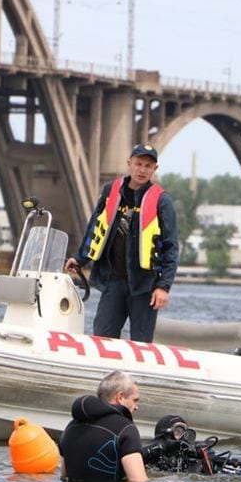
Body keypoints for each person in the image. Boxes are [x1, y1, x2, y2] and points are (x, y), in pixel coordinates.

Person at [65, 143, 179, 343]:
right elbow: (95, 226)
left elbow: (171, 247)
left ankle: (139, 374)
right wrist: (79, 258)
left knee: (141, 343)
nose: (142, 170)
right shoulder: (111, 191)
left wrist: (164, 286)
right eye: (139, 164)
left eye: (148, 166)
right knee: (102, 338)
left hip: (145, 285)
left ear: (155, 169)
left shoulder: (162, 200)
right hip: (113, 281)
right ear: (129, 164)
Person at [58, 370, 148, 482]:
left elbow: (64, 476)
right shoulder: (126, 428)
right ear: (120, 397)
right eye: (134, 400)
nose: (136, 407)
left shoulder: (70, 427)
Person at [141, 414, 241, 476]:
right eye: (178, 432)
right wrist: (164, 446)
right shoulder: (153, 454)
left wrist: (207, 462)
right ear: (165, 434)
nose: (183, 438)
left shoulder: (185, 460)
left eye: (186, 435)